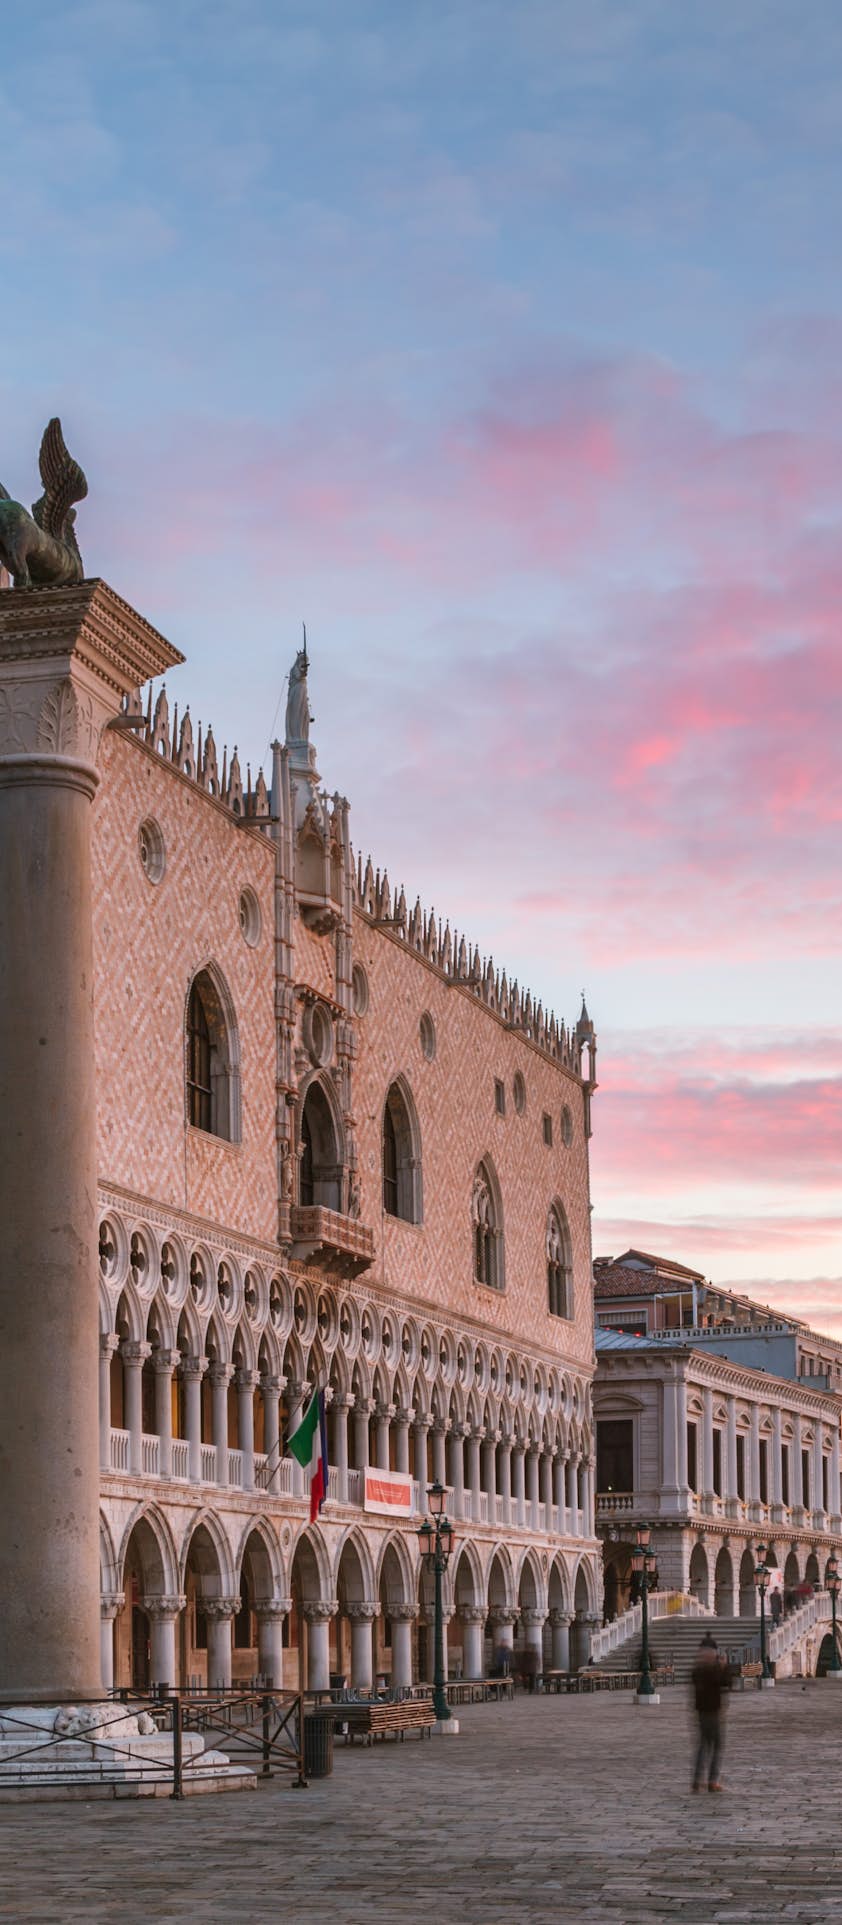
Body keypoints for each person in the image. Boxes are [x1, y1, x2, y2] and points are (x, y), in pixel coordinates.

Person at [691, 1633, 731, 1793]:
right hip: (711, 1712)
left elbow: (726, 1682)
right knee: (716, 1746)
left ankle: (697, 1780)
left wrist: (722, 1668)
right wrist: (722, 1667)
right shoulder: (706, 1670)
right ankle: (712, 1781)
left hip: (702, 1712)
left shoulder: (697, 1669)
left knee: (703, 1746)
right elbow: (723, 1682)